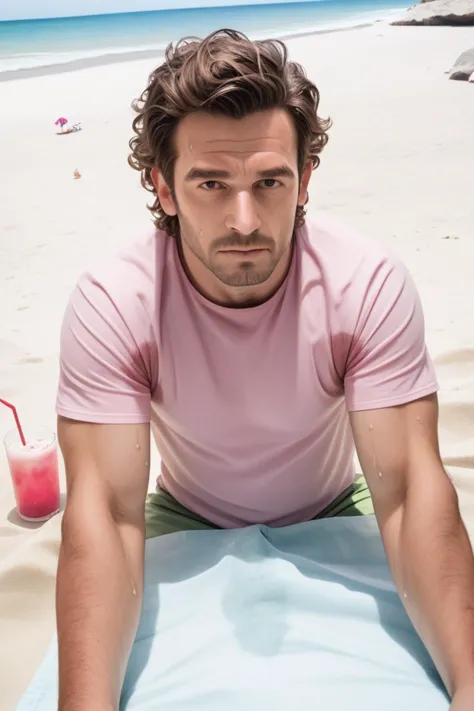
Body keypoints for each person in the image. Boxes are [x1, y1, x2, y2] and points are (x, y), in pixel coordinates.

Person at [55, 28, 474, 711]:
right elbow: (106, 509)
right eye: (210, 183)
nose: (244, 219)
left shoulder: (363, 283)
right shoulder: (116, 301)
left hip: (339, 498)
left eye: (269, 181)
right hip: (183, 512)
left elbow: (404, 490)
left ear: (304, 180)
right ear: (162, 186)